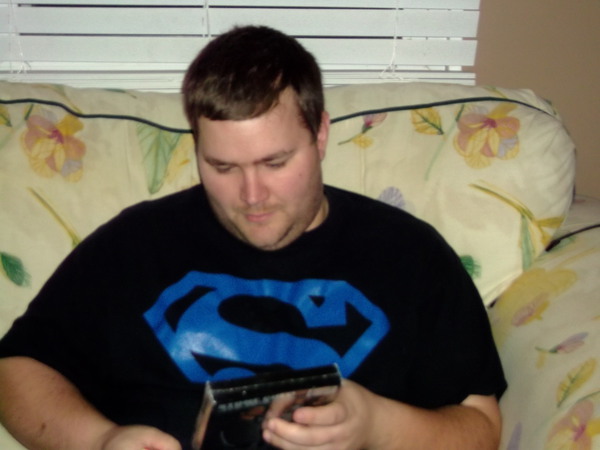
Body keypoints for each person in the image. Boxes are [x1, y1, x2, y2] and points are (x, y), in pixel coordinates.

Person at [0, 26, 506, 450]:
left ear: (320, 134)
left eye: (275, 162)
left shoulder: (408, 255)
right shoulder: (134, 245)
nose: (252, 196)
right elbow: (15, 371)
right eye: (223, 167)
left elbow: (480, 425)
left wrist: (377, 424)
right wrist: (101, 439)